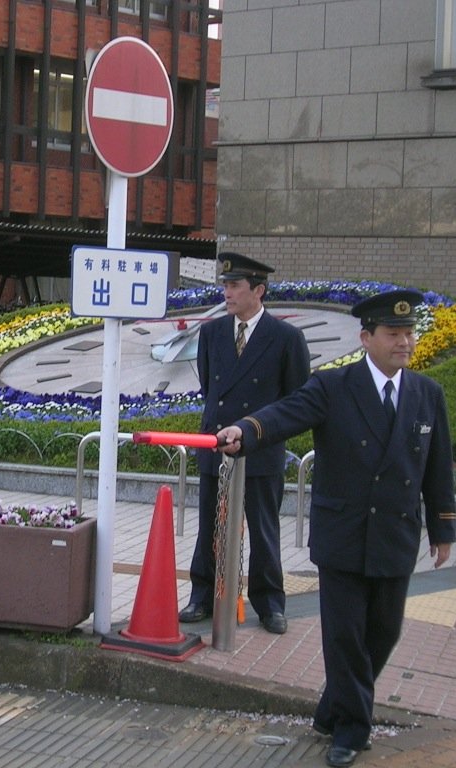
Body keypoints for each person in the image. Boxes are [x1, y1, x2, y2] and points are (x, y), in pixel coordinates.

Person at [215, 288, 456, 768]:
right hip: (343, 532)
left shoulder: (428, 394)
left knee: (383, 632)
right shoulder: (333, 386)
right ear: (366, 338)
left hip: (396, 533)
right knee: (344, 636)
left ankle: (332, 707)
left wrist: (442, 528)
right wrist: (248, 428)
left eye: (408, 333)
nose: (404, 343)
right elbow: (286, 413)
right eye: (393, 334)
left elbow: (437, 467)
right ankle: (351, 729)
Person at [179, 252, 310, 634]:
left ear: (259, 290)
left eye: (235, 286)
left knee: (264, 530)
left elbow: (296, 400)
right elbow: (210, 387)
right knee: (209, 528)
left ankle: (270, 603)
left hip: (261, 451)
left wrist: (258, 431)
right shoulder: (213, 333)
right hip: (215, 446)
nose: (227, 292)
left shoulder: (285, 338)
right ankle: (201, 596)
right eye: (225, 285)